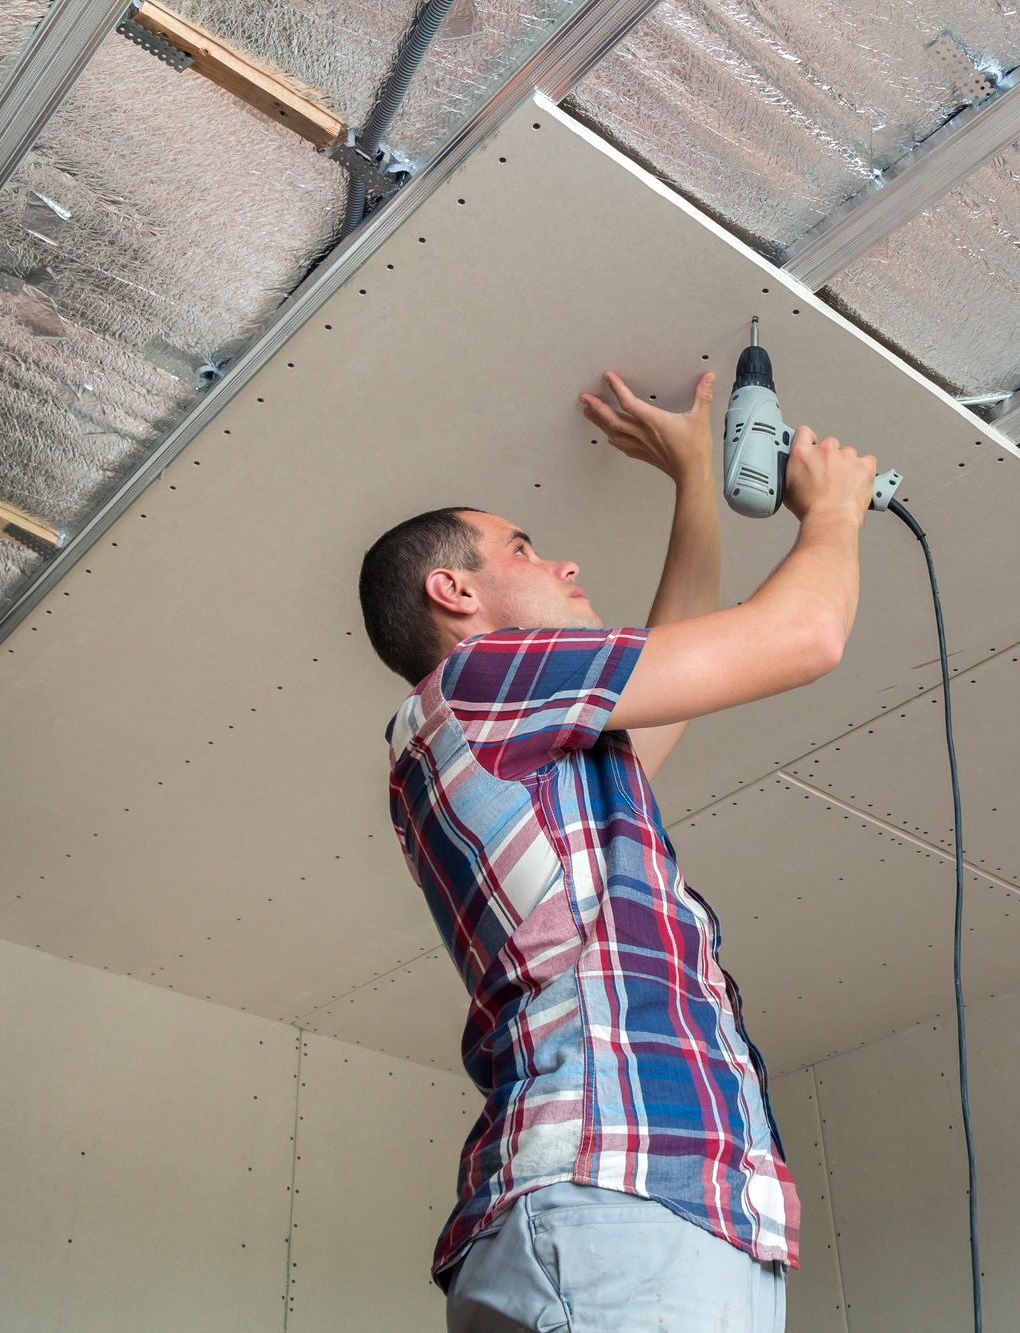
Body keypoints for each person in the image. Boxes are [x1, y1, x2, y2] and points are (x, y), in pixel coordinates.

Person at [359, 367, 877, 1333]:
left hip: (635, 1212)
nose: (562, 563)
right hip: (619, 1201)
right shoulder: (478, 682)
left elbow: (678, 666)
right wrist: (833, 513)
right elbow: (805, 634)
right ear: (454, 589)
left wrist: (693, 480)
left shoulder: (517, 742)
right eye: (524, 547)